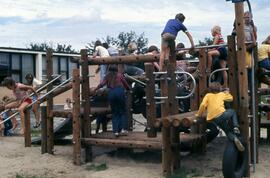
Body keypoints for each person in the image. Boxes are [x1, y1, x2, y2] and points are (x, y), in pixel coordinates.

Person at [195, 82, 244, 152]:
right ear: (220, 89)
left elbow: (202, 105)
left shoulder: (208, 95)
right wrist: (227, 93)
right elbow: (231, 99)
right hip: (222, 115)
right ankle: (236, 126)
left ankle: (234, 139)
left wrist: (198, 115)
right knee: (232, 111)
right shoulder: (222, 94)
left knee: (227, 131)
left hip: (214, 119)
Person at [94, 65, 130, 137]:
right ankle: (122, 129)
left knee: (115, 112)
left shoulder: (107, 76)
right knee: (122, 112)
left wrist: (96, 89)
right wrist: (128, 89)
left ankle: (116, 131)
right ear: (116, 70)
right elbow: (125, 84)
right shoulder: (119, 75)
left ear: (109, 70)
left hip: (111, 93)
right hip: (119, 92)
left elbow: (102, 84)